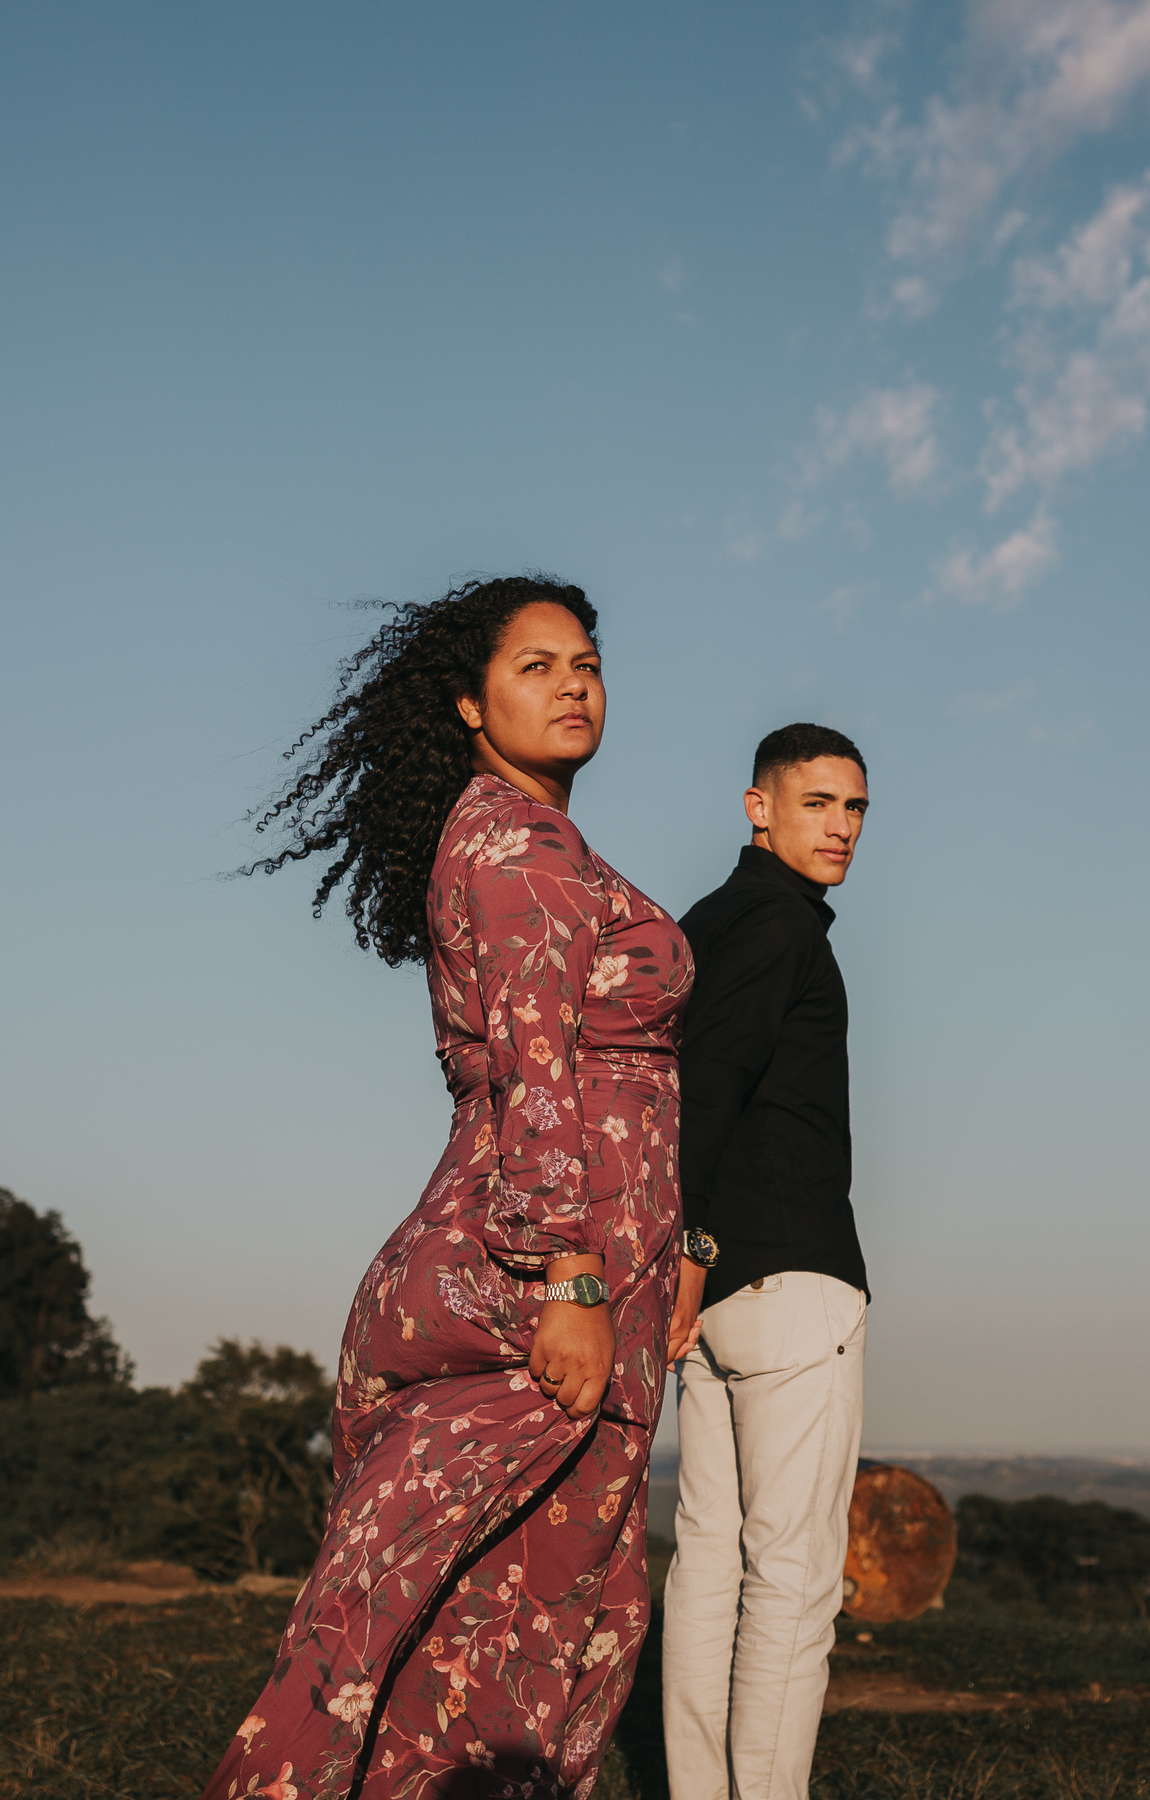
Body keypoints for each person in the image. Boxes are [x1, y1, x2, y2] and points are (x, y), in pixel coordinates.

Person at [204, 576, 694, 1800]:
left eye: (585, 663)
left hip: (589, 1258)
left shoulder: (535, 837)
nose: (575, 683)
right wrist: (569, 1275)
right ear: (472, 705)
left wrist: (656, 1260)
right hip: (538, 1265)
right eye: (537, 667)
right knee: (454, 1616)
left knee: (510, 1615)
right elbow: (538, 1073)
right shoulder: (517, 846)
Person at [660, 723, 872, 1800]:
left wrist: (687, 1255)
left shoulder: (711, 920)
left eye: (855, 809)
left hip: (722, 1292)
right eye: (818, 803)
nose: (840, 828)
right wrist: (689, 1246)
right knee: (789, 1580)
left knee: (709, 1560)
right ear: (760, 807)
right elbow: (712, 1084)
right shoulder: (779, 925)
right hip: (784, 1284)